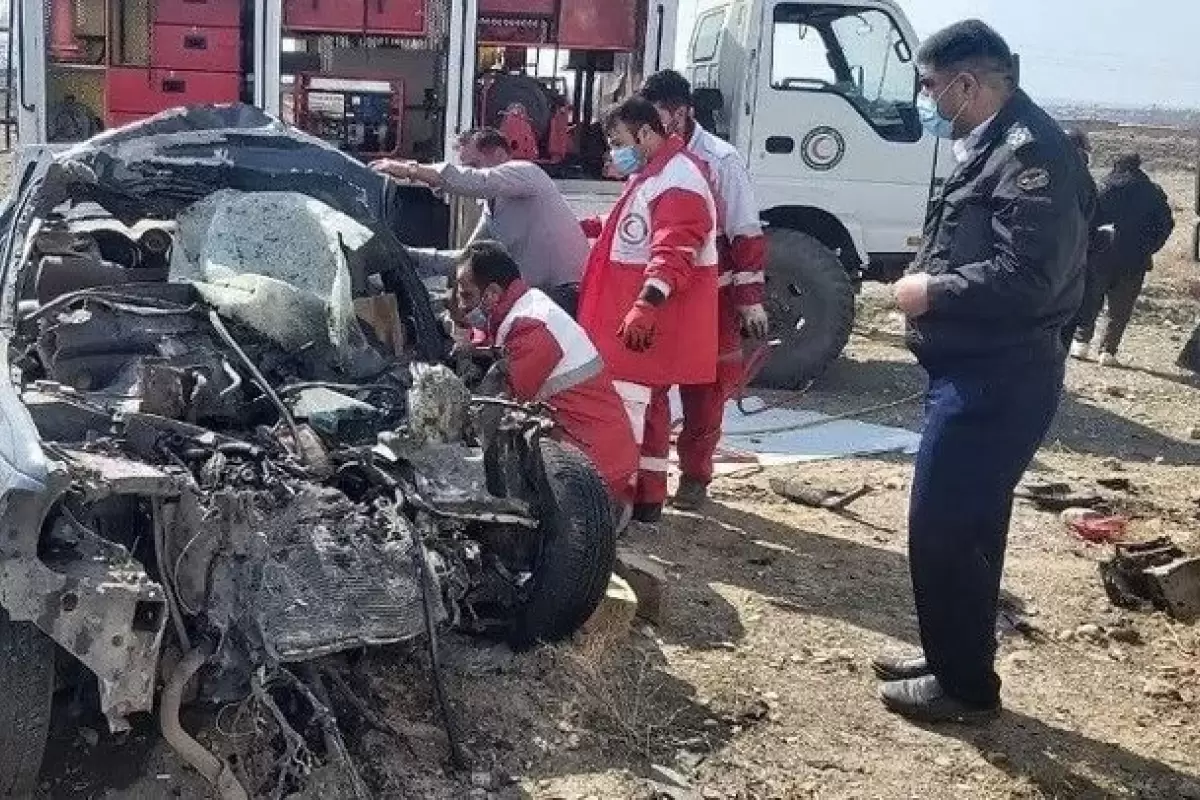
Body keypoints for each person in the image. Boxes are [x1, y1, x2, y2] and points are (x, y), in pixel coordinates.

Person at [877, 20, 1096, 724]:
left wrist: (932, 291)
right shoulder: (997, 144)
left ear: (967, 84)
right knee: (969, 527)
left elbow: (1028, 276)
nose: (927, 101)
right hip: (975, 373)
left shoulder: (1034, 155)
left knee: (941, 526)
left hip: (996, 381)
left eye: (931, 87)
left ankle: (965, 688)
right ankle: (953, 656)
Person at [577, 97, 720, 525]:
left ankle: (618, 505)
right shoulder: (654, 176)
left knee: (626, 417)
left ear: (643, 133)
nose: (614, 150)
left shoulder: (677, 181)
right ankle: (647, 500)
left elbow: (674, 251)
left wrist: (645, 305)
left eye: (618, 140)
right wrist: (589, 227)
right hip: (635, 328)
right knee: (652, 414)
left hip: (639, 328)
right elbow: (634, 229)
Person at [640, 69, 769, 511]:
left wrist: (749, 301)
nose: (650, 130)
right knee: (650, 382)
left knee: (706, 390)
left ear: (681, 112)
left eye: (658, 118)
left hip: (710, 298)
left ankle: (695, 477)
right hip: (661, 290)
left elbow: (744, 234)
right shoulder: (649, 156)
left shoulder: (720, 160)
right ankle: (649, 482)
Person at [454, 240, 639, 516]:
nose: (461, 306)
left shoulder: (531, 327)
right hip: (601, 459)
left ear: (492, 293)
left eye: (467, 296)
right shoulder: (529, 307)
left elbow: (497, 406)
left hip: (594, 479)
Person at [372, 128, 589, 315]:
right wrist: (410, 256)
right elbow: (469, 259)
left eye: (474, 165)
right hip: (540, 296)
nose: (469, 172)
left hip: (566, 293)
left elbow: (476, 181)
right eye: (466, 166)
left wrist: (411, 170)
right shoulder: (490, 208)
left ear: (500, 155)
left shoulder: (526, 173)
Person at [1069, 152, 1175, 366]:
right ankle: (1107, 351)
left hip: (1100, 255)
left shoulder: (1104, 188)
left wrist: (1088, 245)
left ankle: (1081, 344)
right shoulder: (1152, 192)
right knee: (1121, 308)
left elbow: (1087, 217)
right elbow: (1166, 225)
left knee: (1090, 299)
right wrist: (1150, 248)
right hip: (1135, 259)